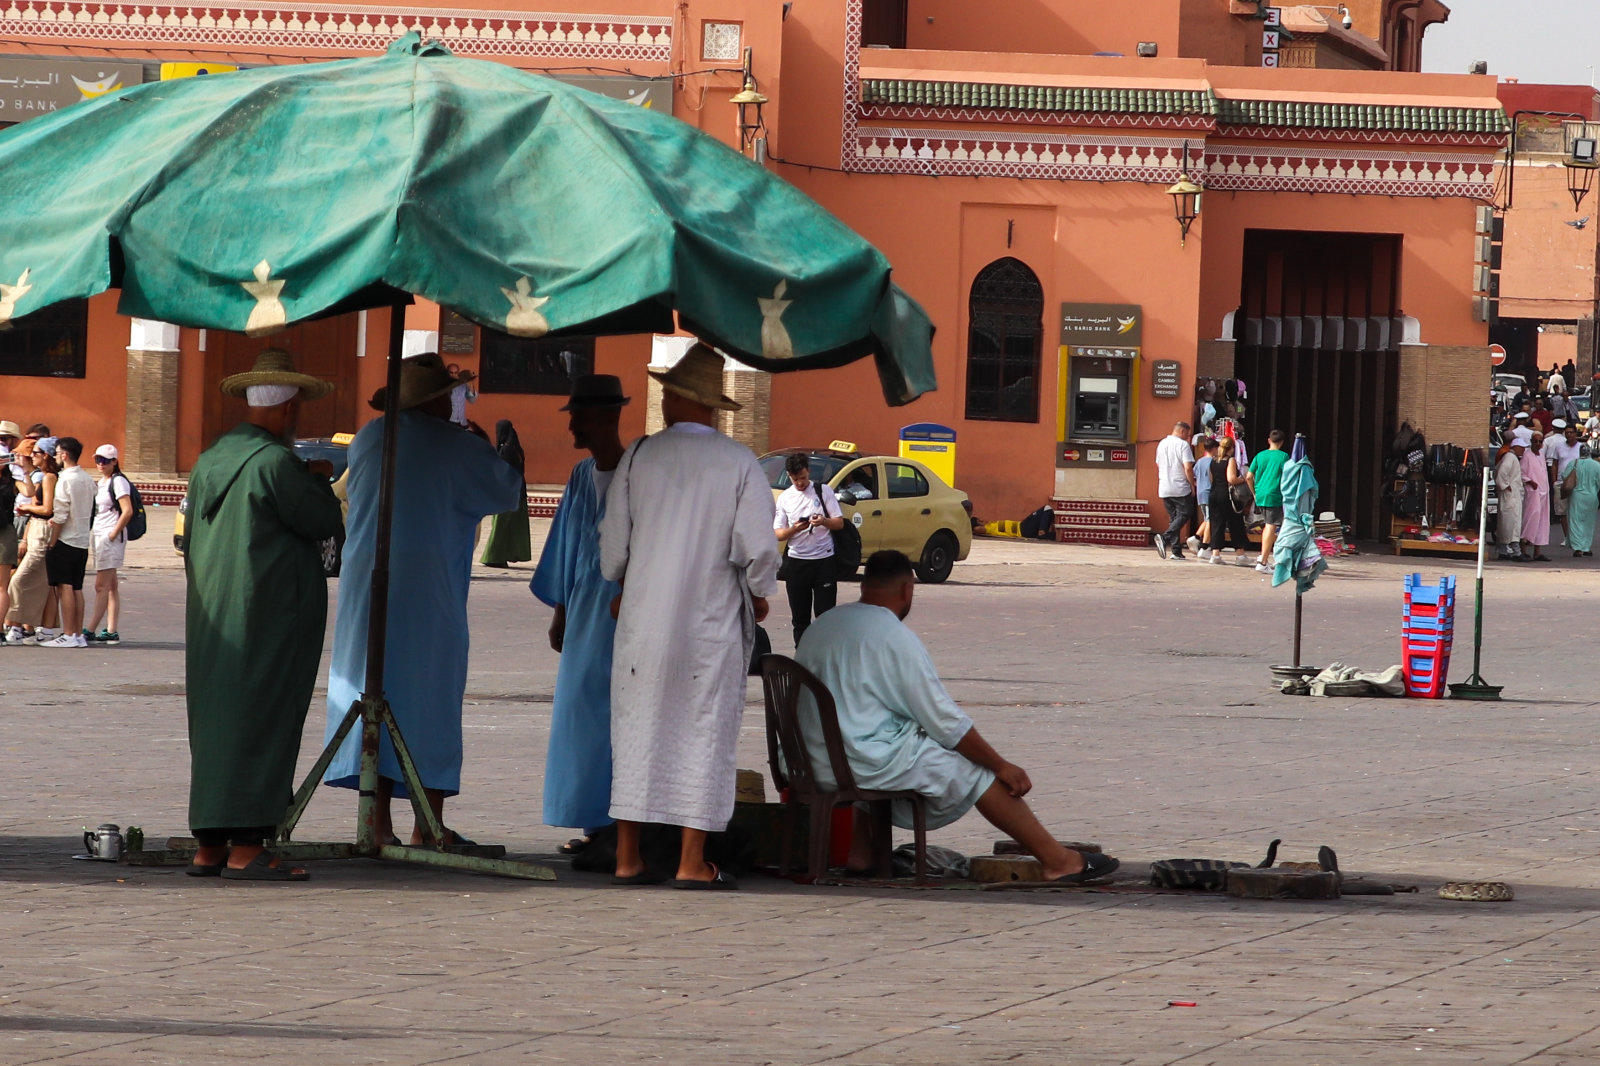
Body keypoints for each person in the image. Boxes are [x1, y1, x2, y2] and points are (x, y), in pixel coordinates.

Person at [795, 550, 1120, 883]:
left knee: (878, 738)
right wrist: (1000, 765)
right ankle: (1059, 861)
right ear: (908, 590)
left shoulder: (824, 623)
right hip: (856, 763)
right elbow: (943, 720)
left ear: (864, 585)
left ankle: (861, 854)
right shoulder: (893, 636)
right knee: (978, 772)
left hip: (807, 760)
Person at [323, 354, 524, 846]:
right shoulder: (454, 446)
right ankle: (425, 827)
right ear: (437, 399)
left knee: (376, 692)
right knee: (427, 704)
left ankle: (378, 825)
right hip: (428, 600)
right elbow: (508, 492)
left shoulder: (371, 437)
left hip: (367, 594)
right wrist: (487, 447)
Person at [598, 343, 779, 889]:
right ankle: (690, 862)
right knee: (703, 732)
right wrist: (759, 591)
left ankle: (628, 856)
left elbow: (612, 554)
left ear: (674, 398)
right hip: (708, 626)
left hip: (643, 625)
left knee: (635, 729)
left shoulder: (638, 456)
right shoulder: (739, 461)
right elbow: (758, 550)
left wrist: (632, 581)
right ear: (714, 405)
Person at [184, 349, 343, 880]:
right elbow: (319, 518)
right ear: (290, 405)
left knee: (216, 722)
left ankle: (209, 843)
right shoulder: (275, 463)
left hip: (215, 613)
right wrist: (319, 478)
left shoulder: (211, 458)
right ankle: (249, 844)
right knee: (264, 721)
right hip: (269, 614)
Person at [532, 375, 629, 854]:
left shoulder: (637, 473)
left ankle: (617, 825)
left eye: (580, 415)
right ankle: (594, 821)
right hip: (583, 612)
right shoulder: (578, 477)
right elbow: (565, 548)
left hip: (625, 615)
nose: (572, 424)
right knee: (581, 716)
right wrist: (560, 611)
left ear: (608, 418)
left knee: (614, 716)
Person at [774, 452, 844, 644]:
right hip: (797, 563)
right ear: (789, 476)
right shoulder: (785, 498)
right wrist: (793, 529)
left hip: (824, 562)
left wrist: (823, 521)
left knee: (825, 617)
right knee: (800, 619)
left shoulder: (823, 491)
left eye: (803, 478)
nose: (800, 483)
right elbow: (778, 533)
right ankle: (803, 659)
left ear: (809, 472)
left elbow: (839, 523)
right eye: (796, 479)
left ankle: (824, 658)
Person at [42, 437, 94, 648]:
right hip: (82, 540)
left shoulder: (65, 480)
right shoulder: (88, 479)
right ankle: (78, 634)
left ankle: (70, 633)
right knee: (77, 587)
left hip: (66, 539)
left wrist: (52, 542)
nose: (55, 456)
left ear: (64, 454)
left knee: (65, 587)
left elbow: (61, 515)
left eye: (57, 453)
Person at [6, 441, 55, 643]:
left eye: (36, 453)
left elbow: (46, 509)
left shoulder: (49, 478)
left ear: (46, 456)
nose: (33, 456)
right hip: (34, 529)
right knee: (39, 584)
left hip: (42, 531)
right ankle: (38, 629)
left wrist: (27, 510)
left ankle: (16, 626)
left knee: (20, 581)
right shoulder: (38, 477)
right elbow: (30, 497)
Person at [84, 444, 133, 644]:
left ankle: (91, 628)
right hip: (100, 534)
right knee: (111, 585)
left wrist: (112, 534)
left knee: (101, 585)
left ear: (114, 461)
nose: (100, 464)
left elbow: (127, 510)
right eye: (97, 460)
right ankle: (111, 629)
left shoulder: (119, 481)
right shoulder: (103, 481)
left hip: (109, 536)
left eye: (104, 460)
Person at [479, 419, 532, 568]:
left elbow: (502, 473)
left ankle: (493, 557)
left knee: (500, 527)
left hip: (506, 494)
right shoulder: (515, 448)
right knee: (510, 527)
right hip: (518, 493)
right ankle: (504, 555)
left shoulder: (506, 450)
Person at [1247, 429, 1290, 574]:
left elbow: (1248, 476)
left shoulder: (1260, 455)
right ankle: (1263, 561)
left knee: (1267, 525)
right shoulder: (1284, 457)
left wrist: (1254, 492)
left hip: (1260, 495)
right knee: (1271, 527)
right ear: (1282, 442)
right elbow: (1288, 477)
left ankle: (1264, 557)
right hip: (1275, 495)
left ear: (1269, 440)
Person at [1205, 437, 1254, 565]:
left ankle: (1215, 554)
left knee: (1216, 523)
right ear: (1231, 448)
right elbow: (1231, 479)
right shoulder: (1230, 460)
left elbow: (1211, 478)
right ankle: (1240, 555)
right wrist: (1243, 479)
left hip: (1213, 494)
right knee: (1235, 523)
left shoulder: (1213, 461)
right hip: (1227, 495)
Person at [1152, 421, 1195, 561]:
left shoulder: (1162, 443)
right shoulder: (1183, 445)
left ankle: (1176, 551)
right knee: (1185, 513)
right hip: (1180, 486)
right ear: (1182, 431)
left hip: (1164, 486)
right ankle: (1165, 537)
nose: (1188, 438)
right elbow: (1188, 467)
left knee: (1174, 518)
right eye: (1187, 435)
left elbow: (1158, 464)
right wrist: (1192, 485)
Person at [1545, 422, 1581, 546]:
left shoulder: (1581, 447)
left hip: (1577, 484)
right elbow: (1554, 464)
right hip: (1561, 483)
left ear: (1576, 434)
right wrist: (1555, 480)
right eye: (1567, 433)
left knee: (1576, 512)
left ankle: (1577, 537)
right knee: (1563, 513)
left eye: (1571, 432)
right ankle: (1568, 538)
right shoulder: (1559, 447)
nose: (1569, 435)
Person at [1561, 444, 1600, 557]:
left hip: (1576, 496)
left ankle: (1578, 548)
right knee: (1589, 523)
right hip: (1592, 497)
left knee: (1575, 521)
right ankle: (1586, 547)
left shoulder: (1573, 463)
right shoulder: (1596, 465)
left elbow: (1565, 477)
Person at [1521, 429, 1552, 562]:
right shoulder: (1526, 455)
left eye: (1540, 442)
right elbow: (1521, 473)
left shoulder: (1541, 455)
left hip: (1544, 492)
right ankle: (1523, 549)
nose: (1538, 444)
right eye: (1535, 441)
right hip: (1533, 493)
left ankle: (1537, 551)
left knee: (1542, 522)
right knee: (1530, 520)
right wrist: (1530, 482)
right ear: (1531, 442)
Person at [1495, 434, 1527, 561]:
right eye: (1522, 448)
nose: (1524, 450)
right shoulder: (1510, 457)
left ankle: (1504, 550)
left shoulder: (1511, 457)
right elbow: (1502, 472)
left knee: (1508, 523)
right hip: (1510, 495)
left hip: (1512, 495)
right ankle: (1516, 552)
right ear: (1516, 447)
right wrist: (1505, 486)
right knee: (1511, 524)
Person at [1190, 437, 1215, 559]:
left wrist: (1197, 485)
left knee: (1207, 518)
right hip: (1209, 492)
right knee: (1211, 519)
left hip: (1201, 492)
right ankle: (1204, 546)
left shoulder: (1199, 461)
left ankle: (1196, 538)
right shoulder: (1213, 462)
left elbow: (1193, 475)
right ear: (1215, 448)